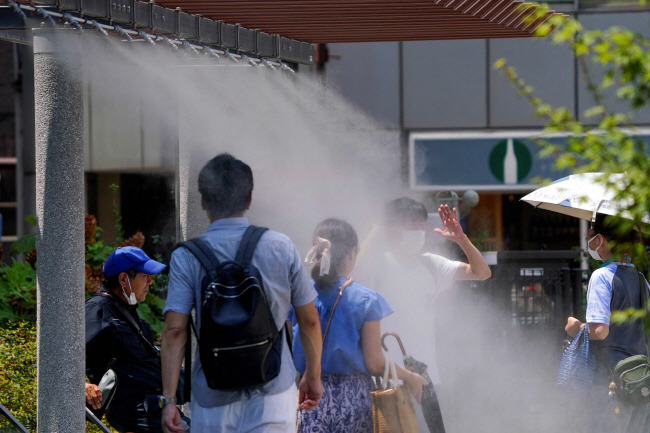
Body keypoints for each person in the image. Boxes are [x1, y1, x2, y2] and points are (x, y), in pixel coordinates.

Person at [159, 153, 323, 433]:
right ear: (249, 200)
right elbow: (308, 321)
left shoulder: (187, 256)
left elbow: (175, 331)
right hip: (274, 392)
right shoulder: (280, 246)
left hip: (213, 398)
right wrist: (313, 376)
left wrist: (170, 400)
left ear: (203, 202)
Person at [354, 197, 491, 432]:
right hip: (387, 377)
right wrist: (377, 228)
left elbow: (482, 272)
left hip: (427, 377)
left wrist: (461, 238)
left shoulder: (431, 264)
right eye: (410, 224)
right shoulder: (379, 264)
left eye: (420, 224)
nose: (418, 231)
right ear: (392, 227)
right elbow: (353, 271)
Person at [290, 218, 428, 432]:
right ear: (352, 253)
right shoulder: (365, 300)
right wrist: (411, 377)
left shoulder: (300, 295)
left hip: (308, 397)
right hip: (353, 401)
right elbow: (374, 363)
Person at [85, 246, 190, 433]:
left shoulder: (125, 310)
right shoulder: (97, 310)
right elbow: (61, 356)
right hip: (136, 412)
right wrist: (82, 385)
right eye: (145, 276)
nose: (150, 282)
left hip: (156, 406)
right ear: (124, 279)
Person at [564, 214, 649, 433]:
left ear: (601, 240)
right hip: (640, 381)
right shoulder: (640, 279)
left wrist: (576, 328)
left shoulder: (602, 276)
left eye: (591, 234)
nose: (589, 239)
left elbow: (599, 331)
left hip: (610, 382)